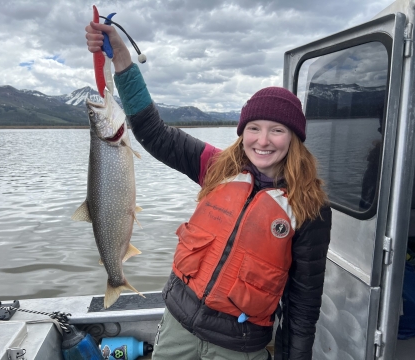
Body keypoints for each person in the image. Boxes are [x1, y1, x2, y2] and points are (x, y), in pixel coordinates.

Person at [86, 20, 332, 360]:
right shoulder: (217, 167)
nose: (262, 141)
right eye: (254, 128)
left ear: (294, 138)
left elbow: (304, 303)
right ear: (242, 132)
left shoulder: (311, 208)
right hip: (178, 327)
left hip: (239, 345)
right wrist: (122, 60)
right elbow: (153, 131)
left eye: (277, 130)